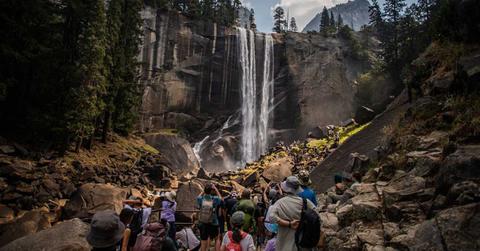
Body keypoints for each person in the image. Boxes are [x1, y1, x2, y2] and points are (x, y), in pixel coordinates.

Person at [269, 176, 316, 251]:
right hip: (301, 244)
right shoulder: (306, 202)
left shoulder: (279, 203)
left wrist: (289, 224)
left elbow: (271, 218)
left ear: (286, 188)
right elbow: (317, 216)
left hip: (283, 245)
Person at [196, 183, 223, 251]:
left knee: (203, 241)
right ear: (211, 191)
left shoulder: (201, 199)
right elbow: (221, 198)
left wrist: (203, 191)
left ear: (205, 191)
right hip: (213, 222)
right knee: (217, 239)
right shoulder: (214, 199)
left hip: (203, 222)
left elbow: (198, 197)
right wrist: (216, 189)